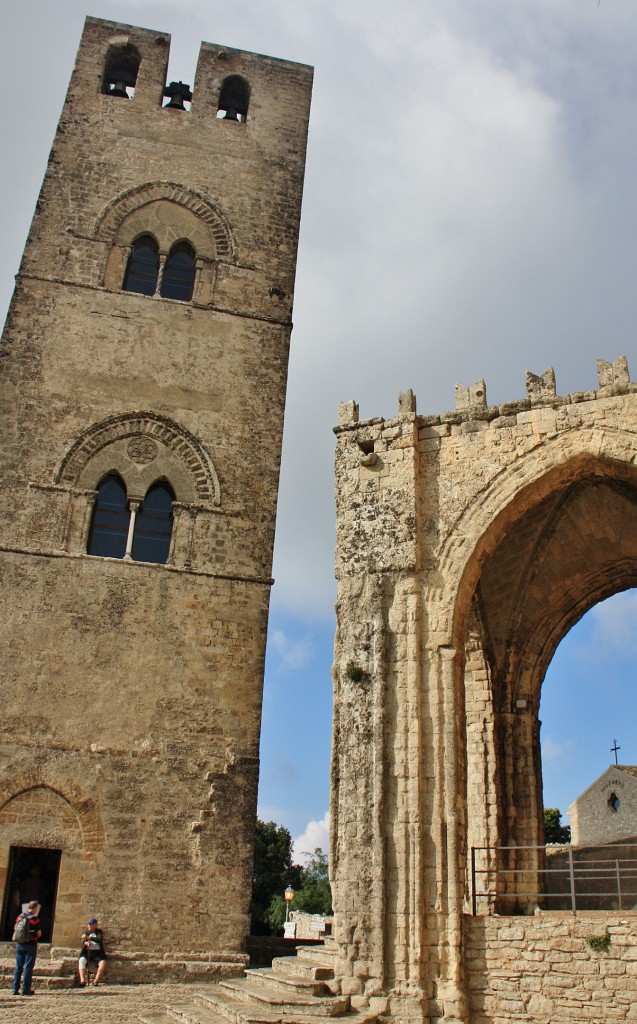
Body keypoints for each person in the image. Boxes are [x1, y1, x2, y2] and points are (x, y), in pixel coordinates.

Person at [12, 900, 42, 996]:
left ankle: (15, 989)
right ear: (35, 908)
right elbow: (39, 933)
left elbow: (15, 929)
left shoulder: (19, 917)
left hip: (20, 944)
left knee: (18, 967)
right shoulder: (34, 919)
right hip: (31, 945)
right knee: (28, 968)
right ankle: (25, 989)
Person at [78, 917, 107, 986]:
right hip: (87, 952)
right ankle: (82, 980)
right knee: (81, 960)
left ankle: (96, 981)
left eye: (91, 925)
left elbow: (99, 939)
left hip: (97, 953)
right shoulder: (86, 932)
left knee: (103, 963)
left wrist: (89, 938)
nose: (89, 926)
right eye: (89, 924)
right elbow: (82, 939)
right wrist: (85, 942)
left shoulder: (99, 932)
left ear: (95, 925)